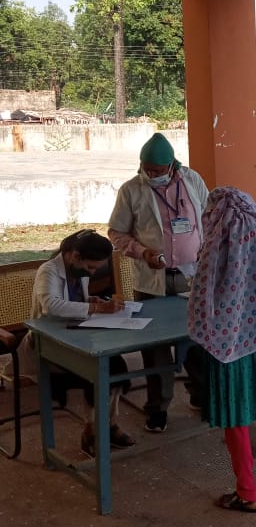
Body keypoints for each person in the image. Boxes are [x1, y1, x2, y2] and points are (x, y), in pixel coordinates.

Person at [187, 186, 256, 513]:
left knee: (235, 419)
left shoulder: (217, 243)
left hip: (227, 347)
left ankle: (247, 492)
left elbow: (201, 295)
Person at [108, 133, 209, 433]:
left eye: (156, 170)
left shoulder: (192, 180)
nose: (150, 174)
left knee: (197, 341)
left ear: (171, 165)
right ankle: (158, 409)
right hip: (152, 281)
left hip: (191, 276)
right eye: (145, 168)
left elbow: (208, 216)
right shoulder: (131, 190)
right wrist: (143, 252)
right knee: (155, 350)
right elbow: (116, 233)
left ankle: (202, 396)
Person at [17, 230, 135, 457]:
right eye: (90, 267)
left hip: (76, 336)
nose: (92, 272)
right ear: (75, 256)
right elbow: (51, 305)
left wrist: (89, 300)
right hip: (47, 344)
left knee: (116, 365)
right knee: (96, 370)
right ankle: (92, 431)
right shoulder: (48, 271)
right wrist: (96, 308)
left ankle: (108, 425)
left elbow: (72, 299)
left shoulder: (77, 269)